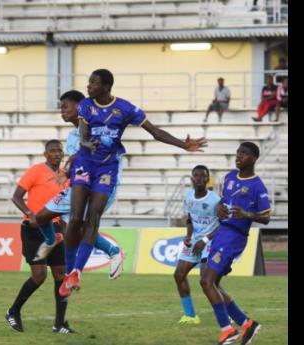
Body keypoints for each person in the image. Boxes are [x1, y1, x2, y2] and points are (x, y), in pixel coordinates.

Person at [59, 68, 208, 297]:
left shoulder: (126, 109)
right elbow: (83, 133)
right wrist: (87, 144)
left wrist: (183, 145)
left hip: (107, 168)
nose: (88, 86)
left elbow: (155, 132)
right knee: (75, 218)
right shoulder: (86, 106)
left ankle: (76, 272)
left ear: (106, 86)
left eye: (93, 83)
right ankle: (70, 272)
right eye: (89, 82)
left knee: (93, 218)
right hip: (84, 164)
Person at [33, 90, 124, 280]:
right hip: (78, 187)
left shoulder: (99, 126)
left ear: (80, 106)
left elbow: (88, 154)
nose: (62, 111)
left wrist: (66, 170)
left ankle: (109, 254)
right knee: (42, 217)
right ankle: (52, 240)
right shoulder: (73, 135)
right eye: (61, 108)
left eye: (66, 106)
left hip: (101, 186)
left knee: (79, 226)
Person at [200, 142, 271, 345]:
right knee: (212, 283)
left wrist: (247, 214)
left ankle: (228, 330)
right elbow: (224, 201)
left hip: (234, 237)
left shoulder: (258, 186)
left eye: (244, 154)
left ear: (254, 158)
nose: (239, 156)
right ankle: (246, 323)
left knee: (206, 281)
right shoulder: (230, 177)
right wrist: (219, 207)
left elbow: (266, 218)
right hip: (222, 232)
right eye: (238, 153)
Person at [5, 140, 75, 334]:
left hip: (56, 230)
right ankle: (13, 311)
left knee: (61, 275)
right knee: (39, 275)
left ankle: (59, 324)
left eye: (59, 151)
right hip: (33, 229)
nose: (56, 154)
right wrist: (31, 213)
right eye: (52, 151)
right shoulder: (36, 171)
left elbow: (63, 205)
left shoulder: (64, 177)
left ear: (62, 155)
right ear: (45, 154)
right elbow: (16, 196)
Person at [174, 165, 220, 325]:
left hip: (211, 241)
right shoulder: (188, 196)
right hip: (195, 240)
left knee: (207, 282)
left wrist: (205, 240)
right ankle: (191, 315)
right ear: (192, 178)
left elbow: (223, 224)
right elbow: (189, 218)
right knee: (179, 275)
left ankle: (225, 315)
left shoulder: (215, 200)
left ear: (207, 179)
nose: (199, 179)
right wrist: (188, 236)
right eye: (196, 176)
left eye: (203, 176)